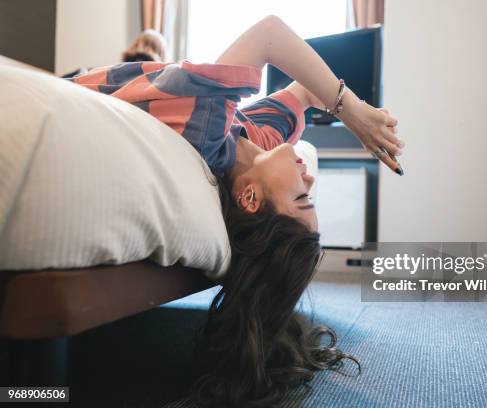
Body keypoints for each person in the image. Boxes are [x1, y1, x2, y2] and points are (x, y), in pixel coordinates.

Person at [68, 15, 403, 407]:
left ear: (249, 199)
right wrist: (363, 116)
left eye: (301, 198)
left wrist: (353, 112)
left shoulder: (203, 131)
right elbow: (306, 92)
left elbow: (270, 34)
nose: (308, 181)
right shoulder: (260, 139)